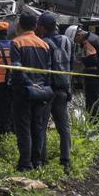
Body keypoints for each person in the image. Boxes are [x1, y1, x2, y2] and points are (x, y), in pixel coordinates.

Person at [10, 11, 53, 171]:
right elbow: (48, 70)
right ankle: (37, 162)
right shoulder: (44, 44)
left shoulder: (16, 42)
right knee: (38, 127)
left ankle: (25, 163)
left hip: (23, 92)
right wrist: (44, 88)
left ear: (20, 25)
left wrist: (28, 84)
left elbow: (16, 69)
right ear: (35, 26)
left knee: (24, 128)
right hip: (42, 92)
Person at [36, 12, 72, 172]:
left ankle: (41, 161)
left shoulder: (43, 43)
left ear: (42, 27)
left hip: (48, 90)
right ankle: (66, 160)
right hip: (63, 88)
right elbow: (69, 65)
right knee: (64, 127)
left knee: (42, 126)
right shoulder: (66, 40)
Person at [73, 26, 99, 118]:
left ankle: (93, 124)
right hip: (98, 74)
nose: (77, 43)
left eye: (76, 40)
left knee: (92, 101)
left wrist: (81, 59)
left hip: (92, 76)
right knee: (97, 100)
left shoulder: (88, 41)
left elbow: (92, 60)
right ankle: (96, 123)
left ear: (79, 35)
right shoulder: (95, 37)